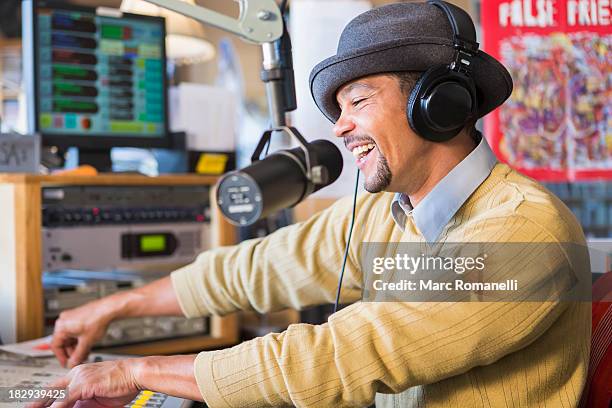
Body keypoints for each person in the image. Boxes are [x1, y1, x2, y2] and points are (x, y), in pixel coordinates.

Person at [33, 1, 591, 407]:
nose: (341, 127)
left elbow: (342, 355)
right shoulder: (389, 211)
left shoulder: (523, 231)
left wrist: (138, 371)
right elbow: (261, 267)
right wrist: (110, 308)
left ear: (439, 105)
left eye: (359, 101)